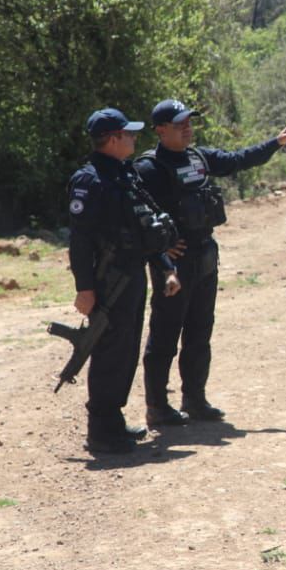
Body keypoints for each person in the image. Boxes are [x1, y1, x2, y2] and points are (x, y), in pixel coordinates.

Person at [134, 99, 286, 425]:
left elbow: (239, 160)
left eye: (189, 122)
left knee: (199, 332)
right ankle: (157, 406)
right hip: (174, 265)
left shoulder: (199, 157)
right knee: (165, 334)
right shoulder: (148, 168)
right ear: (160, 130)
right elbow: (137, 215)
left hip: (205, 256)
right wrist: (162, 250)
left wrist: (276, 143)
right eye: (179, 123)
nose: (187, 127)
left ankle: (195, 400)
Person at [68, 108, 181, 454]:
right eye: (129, 134)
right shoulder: (90, 180)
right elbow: (79, 239)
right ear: (114, 139)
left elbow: (141, 228)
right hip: (109, 279)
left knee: (127, 347)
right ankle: (101, 429)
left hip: (132, 273)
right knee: (110, 351)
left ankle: (113, 420)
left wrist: (164, 266)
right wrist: (84, 288)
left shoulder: (124, 173)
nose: (134, 138)